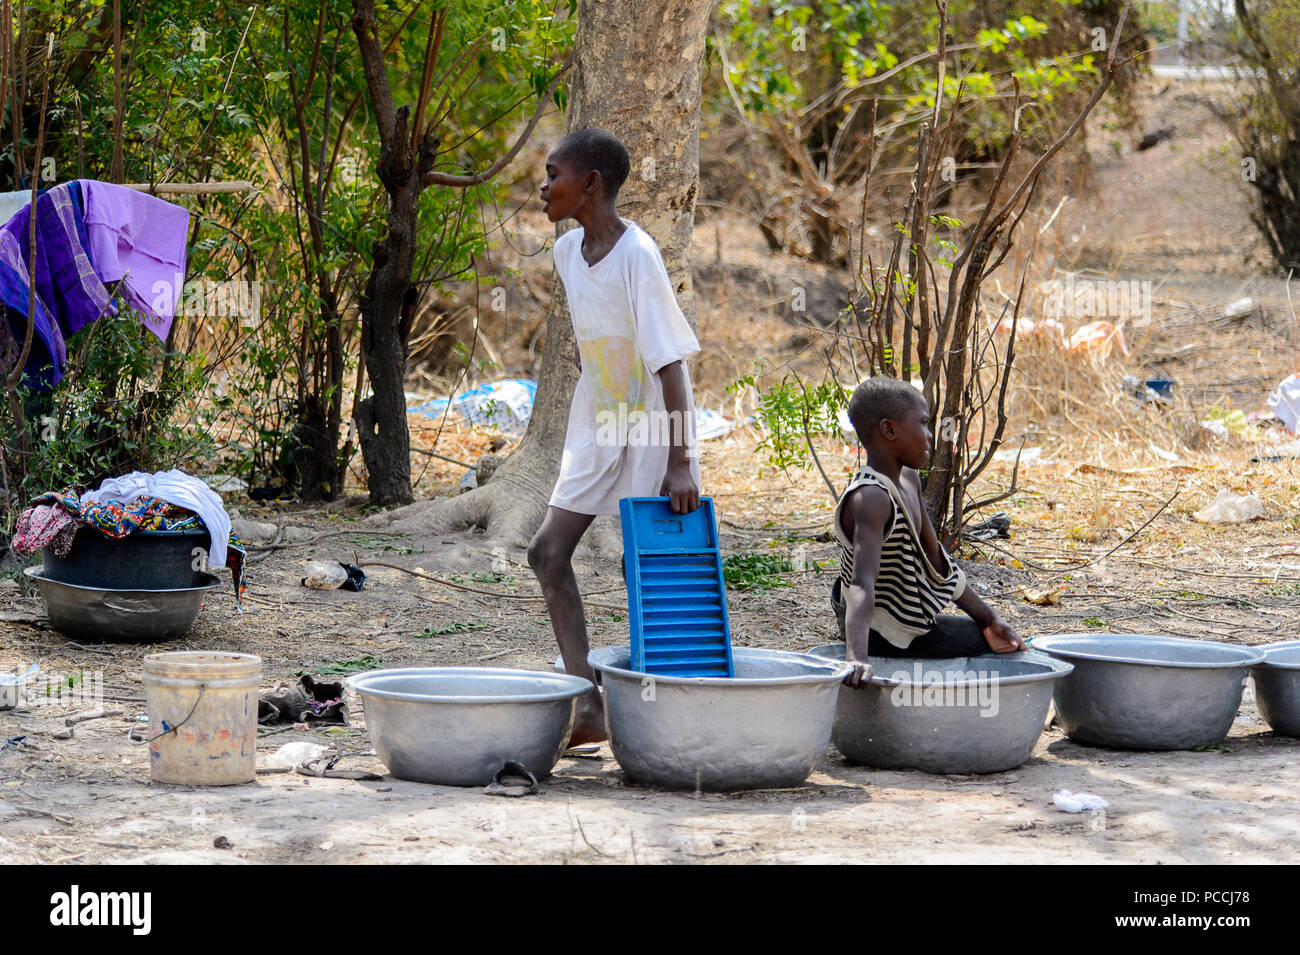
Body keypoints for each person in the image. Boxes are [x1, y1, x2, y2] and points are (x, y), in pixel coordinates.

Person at [528, 128, 702, 745]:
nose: (544, 187)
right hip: (600, 422)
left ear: (590, 184)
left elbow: (671, 363)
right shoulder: (566, 253)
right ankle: (588, 705)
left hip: (654, 428)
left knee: (646, 567)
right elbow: (593, 340)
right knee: (547, 552)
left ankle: (663, 710)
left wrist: (678, 462)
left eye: (554, 174)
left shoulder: (638, 254)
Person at [831, 377, 1025, 688]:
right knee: (994, 646)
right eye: (922, 423)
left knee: (996, 633)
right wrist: (856, 657)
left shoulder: (908, 479)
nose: (930, 435)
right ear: (889, 430)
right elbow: (861, 584)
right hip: (877, 630)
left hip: (903, 616)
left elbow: (937, 560)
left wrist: (989, 619)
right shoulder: (871, 498)